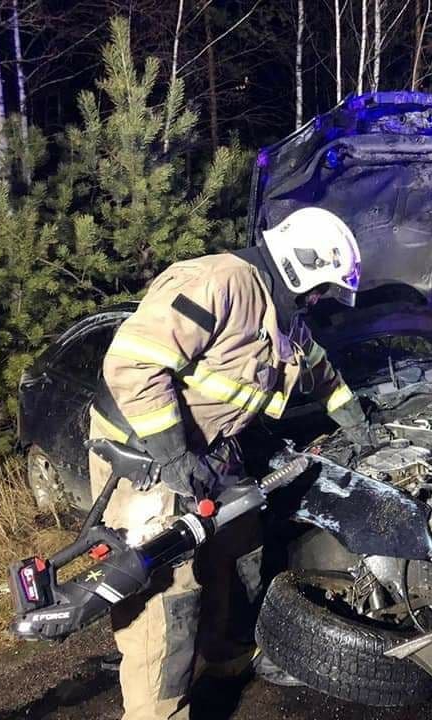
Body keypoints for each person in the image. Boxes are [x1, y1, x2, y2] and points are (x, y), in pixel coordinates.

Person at [87, 207, 371, 720]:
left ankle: (229, 659)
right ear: (301, 265)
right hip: (146, 453)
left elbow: (315, 364)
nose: (323, 299)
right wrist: (173, 455)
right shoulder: (220, 282)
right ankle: (158, 711)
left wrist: (352, 417)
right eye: (323, 286)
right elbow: (132, 362)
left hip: (212, 446)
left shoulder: (280, 308)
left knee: (241, 549)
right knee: (166, 594)